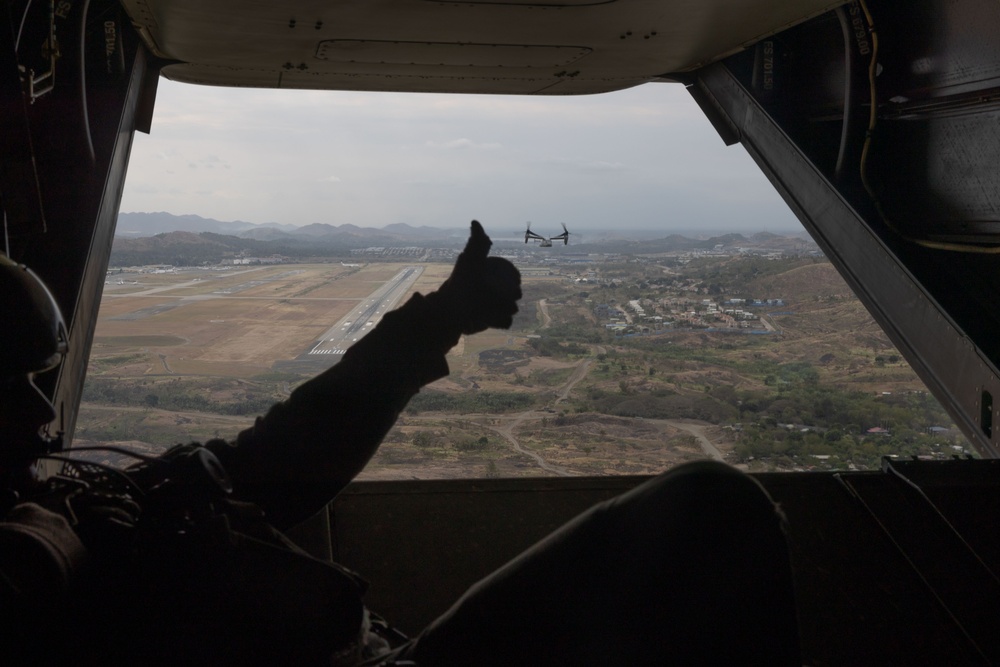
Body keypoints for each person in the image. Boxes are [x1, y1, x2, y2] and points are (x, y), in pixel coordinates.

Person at [0, 222, 800, 665]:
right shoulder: (28, 561)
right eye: (11, 386)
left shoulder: (63, 495)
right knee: (713, 512)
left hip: (378, 653)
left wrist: (440, 317)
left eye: (45, 379)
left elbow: (277, 457)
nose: (43, 412)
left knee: (711, 504)